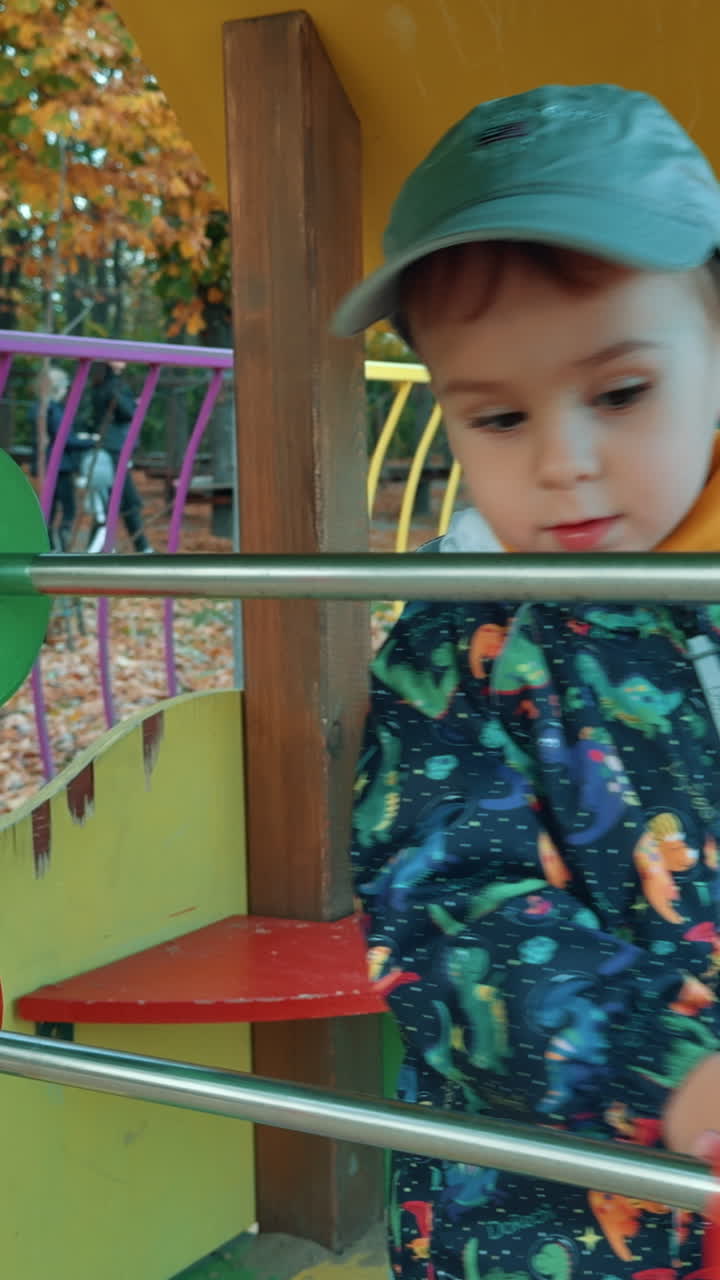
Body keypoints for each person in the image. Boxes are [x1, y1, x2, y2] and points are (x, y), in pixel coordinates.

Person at [333, 84, 720, 1278]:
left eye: (620, 393)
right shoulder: (463, 643)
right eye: (498, 416)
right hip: (543, 1222)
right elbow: (449, 915)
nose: (565, 462)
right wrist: (673, 1066)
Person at [88, 360, 153, 552]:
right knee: (125, 499)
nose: (123, 360)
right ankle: (139, 547)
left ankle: (135, 546)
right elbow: (127, 412)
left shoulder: (100, 384)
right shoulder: (113, 385)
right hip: (116, 449)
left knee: (118, 500)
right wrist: (135, 404)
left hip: (110, 447)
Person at [31, 365, 94, 550]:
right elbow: (64, 438)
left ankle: (51, 543)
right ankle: (58, 543)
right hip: (59, 466)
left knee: (49, 506)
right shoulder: (53, 409)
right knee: (67, 508)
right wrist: (90, 441)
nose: (67, 391)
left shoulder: (39, 408)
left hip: (48, 464)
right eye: (65, 387)